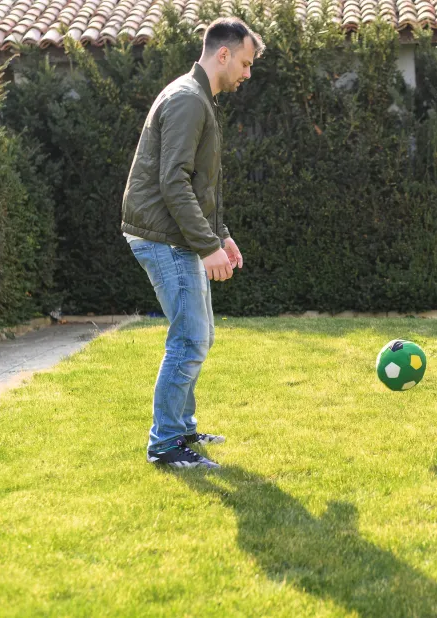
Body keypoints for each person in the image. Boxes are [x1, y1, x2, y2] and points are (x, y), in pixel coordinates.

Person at [121, 18, 265, 468]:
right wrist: (207, 247)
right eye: (244, 63)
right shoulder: (187, 99)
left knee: (196, 335)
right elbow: (173, 183)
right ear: (223, 54)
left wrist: (221, 235)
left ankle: (181, 429)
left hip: (174, 233)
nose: (247, 74)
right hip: (163, 236)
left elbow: (198, 185)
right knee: (189, 339)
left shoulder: (197, 96)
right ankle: (165, 445)